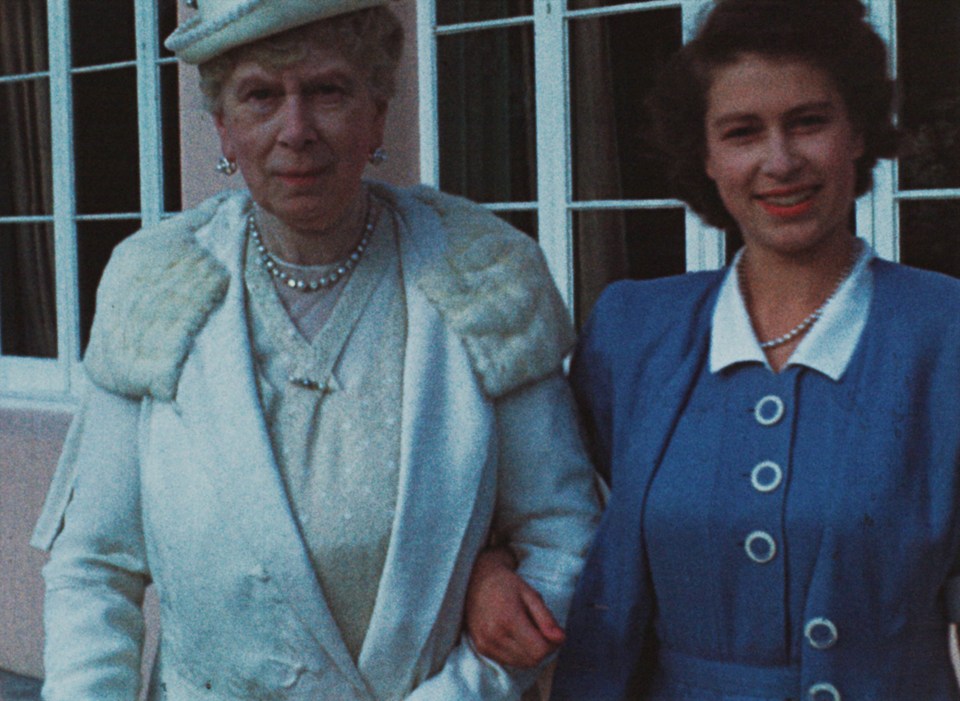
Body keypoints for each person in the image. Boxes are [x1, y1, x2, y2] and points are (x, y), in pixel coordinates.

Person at [30, 1, 600, 699]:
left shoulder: (482, 274)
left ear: (377, 112)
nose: (295, 131)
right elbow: (93, 565)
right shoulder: (157, 283)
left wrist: (468, 687)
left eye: (327, 90)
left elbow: (563, 533)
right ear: (224, 128)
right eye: (262, 96)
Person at [468, 0, 960, 698]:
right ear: (704, 154)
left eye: (809, 122)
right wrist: (489, 572)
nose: (780, 161)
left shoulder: (945, 333)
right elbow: (528, 501)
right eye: (742, 132)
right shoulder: (633, 334)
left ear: (856, 132)